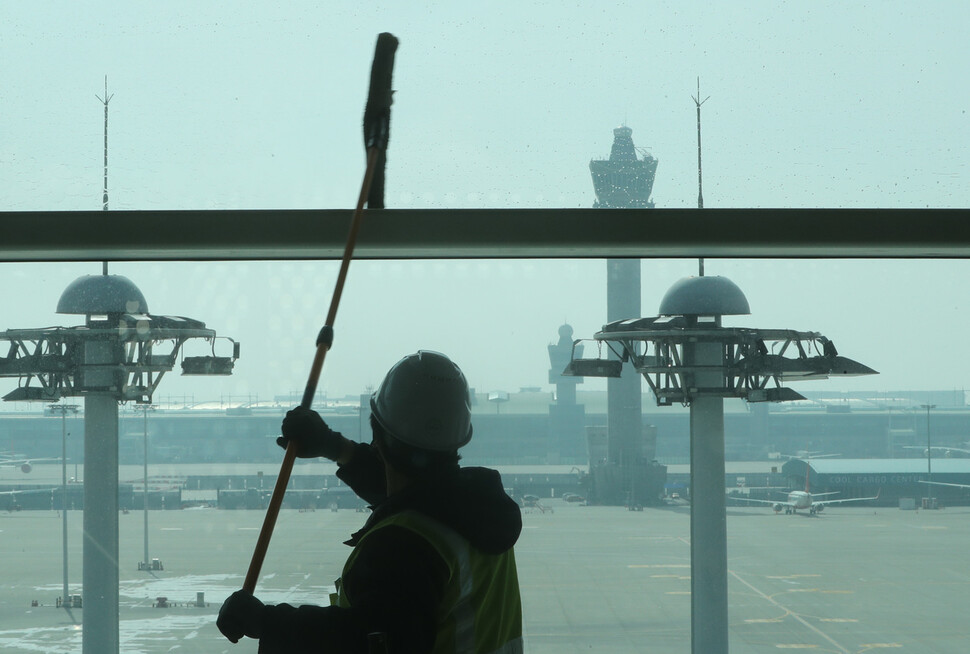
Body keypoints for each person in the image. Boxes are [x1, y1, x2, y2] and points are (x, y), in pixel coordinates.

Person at [217, 350, 524, 653]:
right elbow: (415, 493)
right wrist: (334, 446)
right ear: (458, 439)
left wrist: (267, 622)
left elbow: (369, 638)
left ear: (378, 437)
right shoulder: (478, 509)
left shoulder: (402, 544)